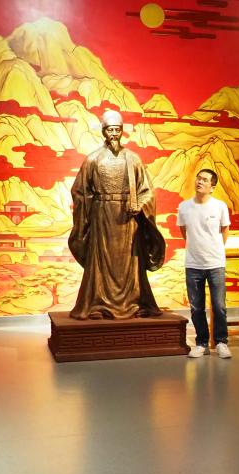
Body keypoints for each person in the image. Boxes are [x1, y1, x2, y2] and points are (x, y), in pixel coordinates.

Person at [69, 110, 165, 320]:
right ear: (103, 131)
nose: (114, 134)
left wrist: (140, 205)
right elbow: (79, 191)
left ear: (122, 131)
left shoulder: (133, 159)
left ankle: (134, 301)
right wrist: (91, 208)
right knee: (101, 261)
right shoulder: (93, 160)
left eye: (117, 130)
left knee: (129, 261)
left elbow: (147, 190)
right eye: (110, 130)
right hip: (102, 218)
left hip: (128, 219)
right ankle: (98, 303)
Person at [180, 168, 232, 359]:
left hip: (215, 263)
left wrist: (215, 249)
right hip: (193, 263)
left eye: (204, 180)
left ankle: (221, 342)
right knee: (196, 307)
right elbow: (183, 231)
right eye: (198, 178)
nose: (199, 182)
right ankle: (202, 343)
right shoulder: (184, 207)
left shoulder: (219, 206)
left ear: (212, 186)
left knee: (219, 306)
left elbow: (225, 230)